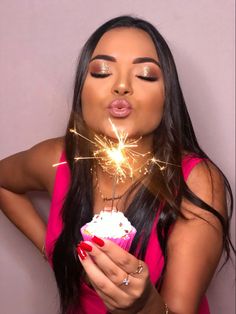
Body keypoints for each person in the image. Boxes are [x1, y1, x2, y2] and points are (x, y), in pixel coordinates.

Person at [0, 15, 234, 314]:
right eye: (101, 72)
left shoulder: (197, 181)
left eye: (146, 75)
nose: (121, 86)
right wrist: (55, 252)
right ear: (81, 90)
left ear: (167, 97)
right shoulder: (57, 159)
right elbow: (4, 182)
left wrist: (144, 304)